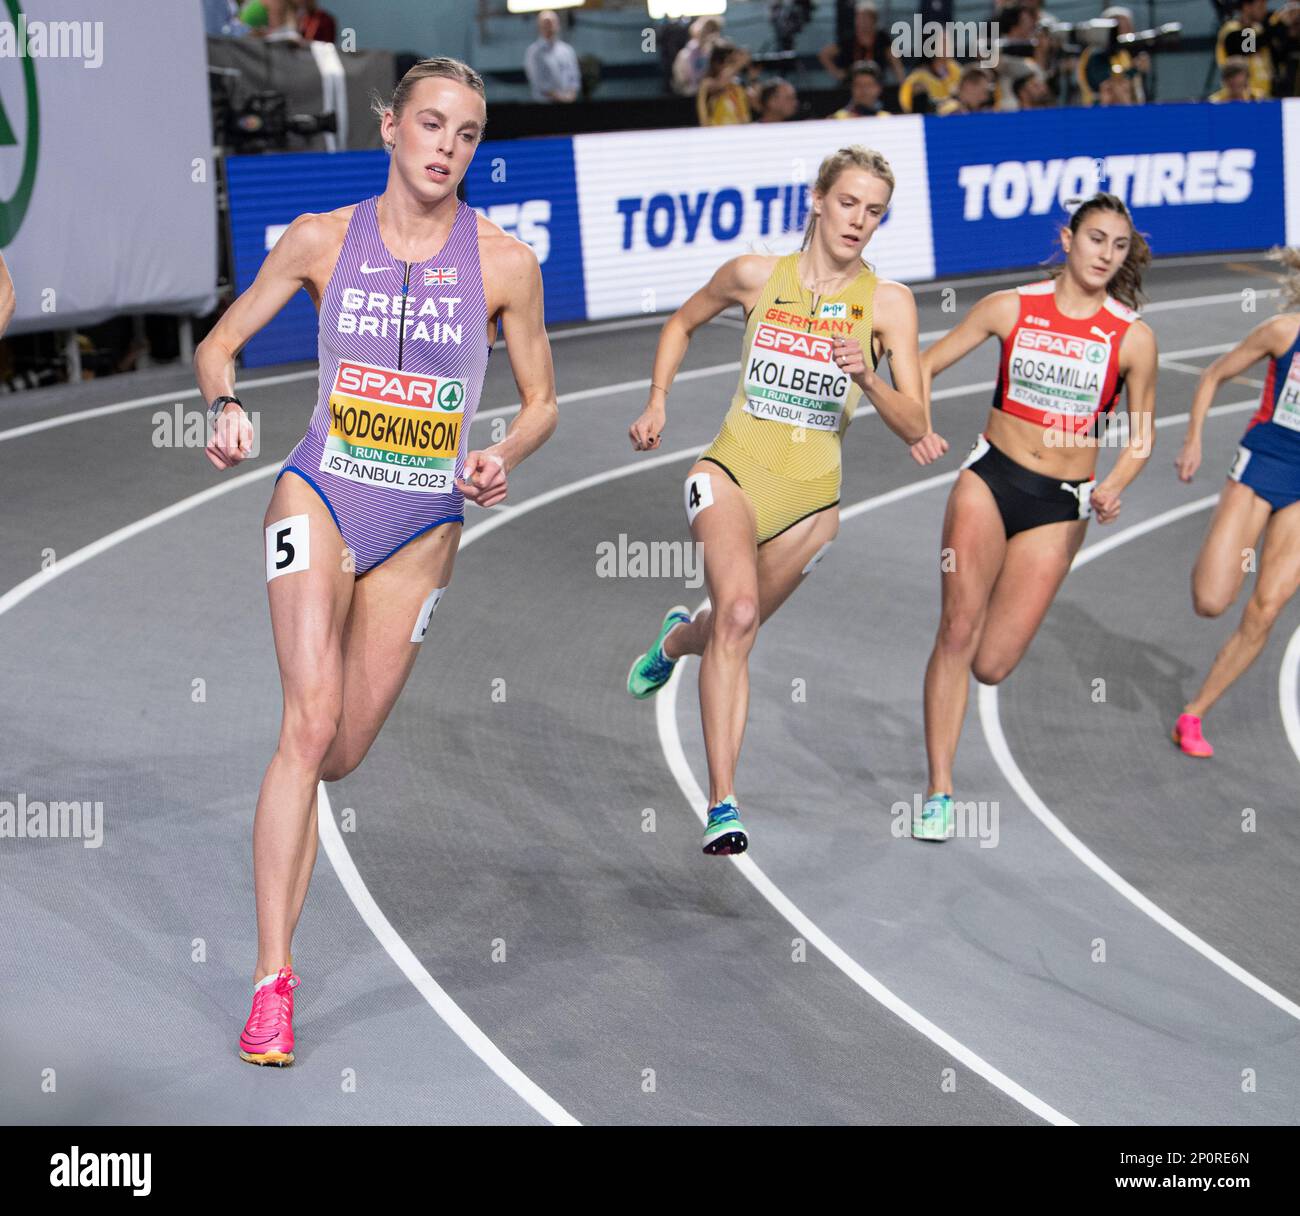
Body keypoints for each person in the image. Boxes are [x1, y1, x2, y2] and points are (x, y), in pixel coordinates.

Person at [194, 58, 558, 1065]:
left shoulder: (504, 263)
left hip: (424, 524)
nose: (447, 146)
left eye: (467, 133)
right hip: (319, 488)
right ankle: (272, 981)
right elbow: (218, 345)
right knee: (304, 724)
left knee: (339, 751)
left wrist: (502, 453)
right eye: (431, 123)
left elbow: (541, 402)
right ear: (390, 126)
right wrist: (224, 405)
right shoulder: (320, 239)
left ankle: (278, 955)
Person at [625, 146, 943, 856]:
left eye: (874, 211)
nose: (859, 220)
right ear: (819, 200)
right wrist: (657, 402)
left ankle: (677, 638)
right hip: (731, 470)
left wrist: (871, 376)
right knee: (737, 615)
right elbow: (680, 324)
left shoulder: (888, 304)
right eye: (849, 203)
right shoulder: (754, 275)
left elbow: (917, 425)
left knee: (729, 628)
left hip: (812, 501)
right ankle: (722, 805)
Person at [916, 193, 1157, 839]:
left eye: (1118, 245)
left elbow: (1140, 436)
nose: (1106, 254)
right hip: (990, 480)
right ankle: (939, 789)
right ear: (1069, 238)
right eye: (1096, 239)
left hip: (1061, 506)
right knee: (957, 631)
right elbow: (926, 365)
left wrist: (1116, 483)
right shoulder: (1011, 307)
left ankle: (968, 666)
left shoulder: (1132, 338)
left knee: (992, 663)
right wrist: (918, 425)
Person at [1171, 248, 1300, 757]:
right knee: (1211, 602)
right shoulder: (1283, 332)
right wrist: (1194, 439)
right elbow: (1212, 376)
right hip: (1263, 463)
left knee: (1266, 610)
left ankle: (1194, 715)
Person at [819, 1, 904, 86]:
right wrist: (838, 73)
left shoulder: (882, 38)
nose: (862, 22)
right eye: (859, 18)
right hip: (851, 86)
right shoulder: (849, 39)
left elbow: (895, 62)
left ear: (874, 20)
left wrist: (902, 82)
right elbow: (824, 54)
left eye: (866, 18)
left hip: (876, 86)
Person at [1215, 0, 1274, 100]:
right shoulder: (1232, 29)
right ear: (1246, 7)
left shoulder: (1258, 29)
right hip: (1243, 96)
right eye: (1260, 6)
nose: (1264, 10)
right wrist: (1276, 26)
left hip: (1263, 96)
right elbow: (1249, 48)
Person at [524, 9, 581, 103]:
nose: (549, 25)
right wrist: (559, 97)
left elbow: (574, 77)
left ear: (558, 25)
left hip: (568, 104)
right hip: (544, 106)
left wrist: (570, 96)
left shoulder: (567, 50)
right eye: (546, 22)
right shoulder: (533, 52)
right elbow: (538, 82)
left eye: (552, 22)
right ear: (539, 26)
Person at [696, 40, 754, 125]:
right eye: (730, 62)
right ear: (716, 63)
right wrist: (738, 63)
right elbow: (719, 84)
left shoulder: (737, 85)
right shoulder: (706, 85)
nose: (731, 68)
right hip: (717, 135)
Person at [672, 15, 725, 97]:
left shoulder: (719, 51)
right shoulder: (685, 55)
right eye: (706, 29)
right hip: (692, 96)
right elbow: (682, 80)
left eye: (713, 30)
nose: (708, 33)